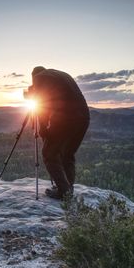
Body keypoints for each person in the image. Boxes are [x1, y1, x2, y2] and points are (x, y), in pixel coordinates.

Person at [27, 66, 90, 200]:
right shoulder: (60, 75)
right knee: (68, 153)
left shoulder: (39, 78)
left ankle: (63, 191)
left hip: (65, 118)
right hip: (84, 116)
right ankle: (68, 188)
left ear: (34, 76)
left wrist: (45, 133)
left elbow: (43, 108)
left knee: (49, 153)